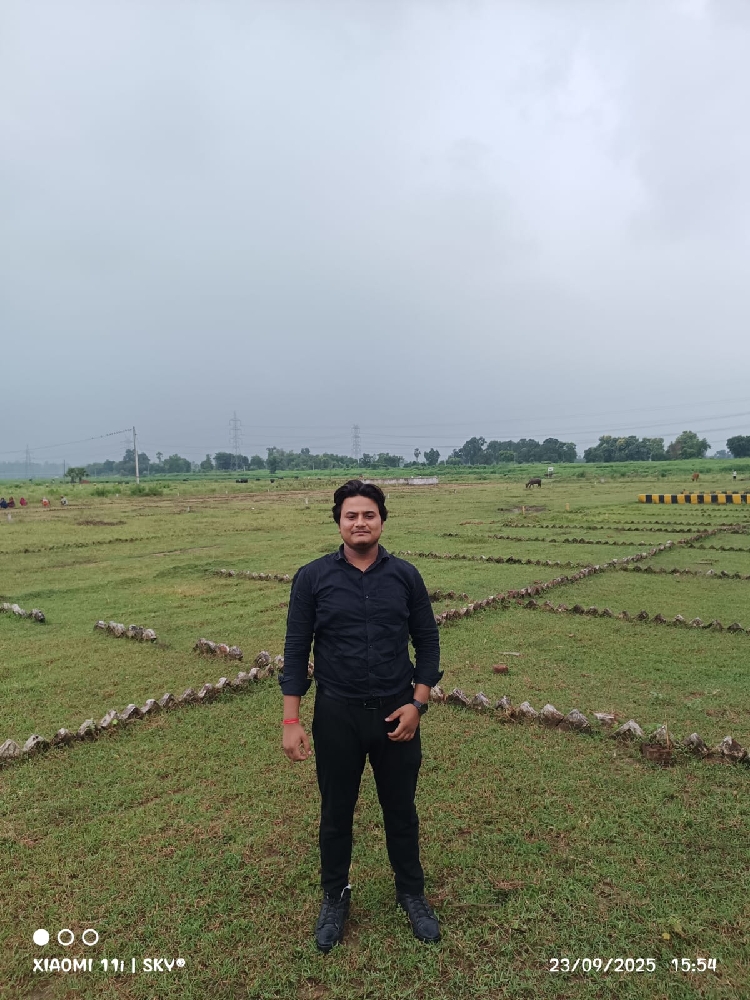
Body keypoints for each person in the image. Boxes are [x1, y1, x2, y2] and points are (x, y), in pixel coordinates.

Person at [281, 479, 443, 953]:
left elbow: (428, 644)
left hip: (397, 714)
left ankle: (411, 893)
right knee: (335, 813)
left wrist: (417, 705)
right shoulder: (312, 578)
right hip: (337, 715)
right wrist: (291, 721)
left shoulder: (405, 576)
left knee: (401, 809)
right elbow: (296, 650)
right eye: (350, 515)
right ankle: (335, 897)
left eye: (368, 514)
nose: (360, 523)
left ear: (382, 521)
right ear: (338, 522)